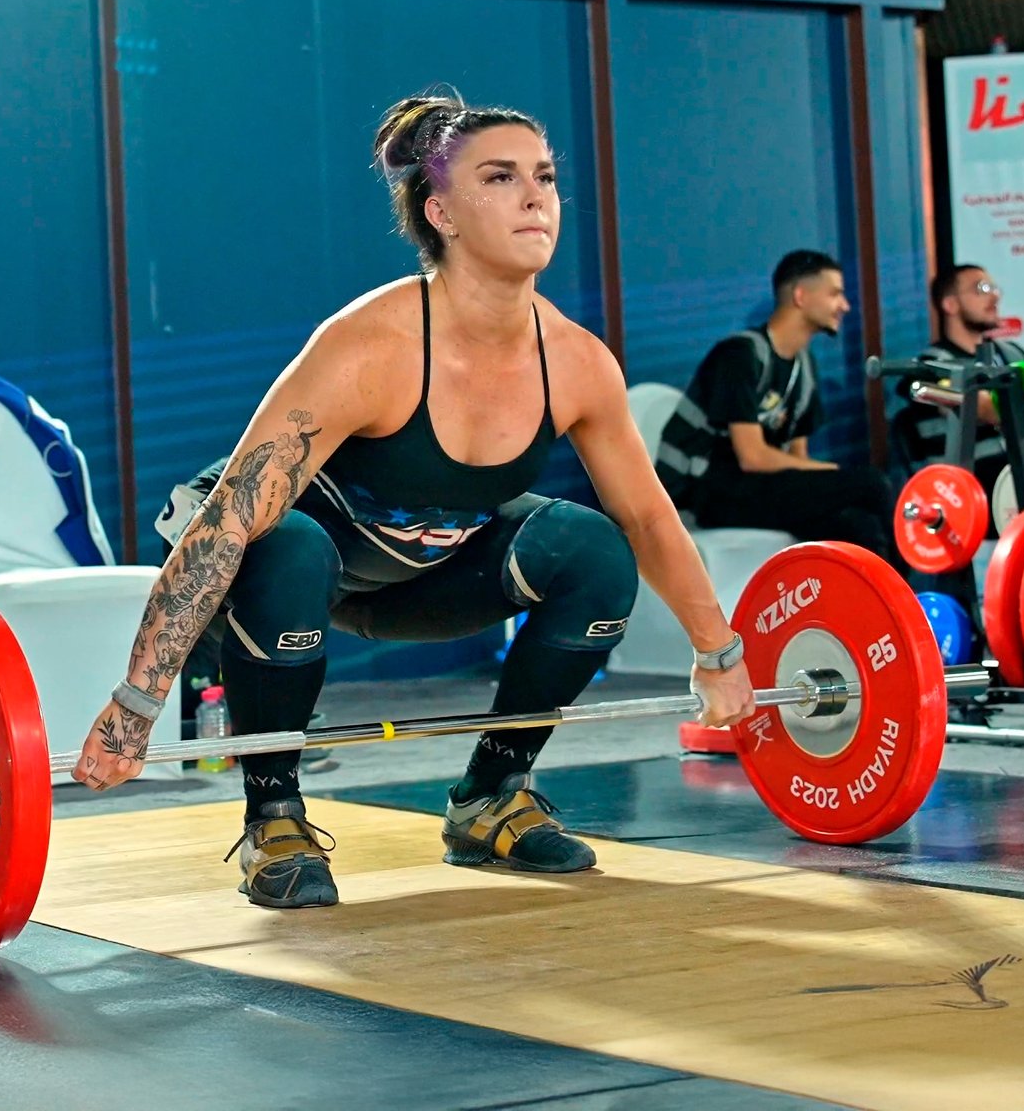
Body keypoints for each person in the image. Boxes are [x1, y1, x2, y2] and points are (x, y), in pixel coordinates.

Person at [72, 91, 753, 910]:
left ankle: (491, 798)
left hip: (419, 576)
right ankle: (274, 817)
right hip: (275, 575)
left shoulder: (576, 361)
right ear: (443, 212)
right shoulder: (375, 343)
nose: (536, 195)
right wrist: (137, 701)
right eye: (500, 177)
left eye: (543, 176)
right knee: (290, 545)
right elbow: (229, 521)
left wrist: (719, 654)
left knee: (594, 548)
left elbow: (648, 518)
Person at [655, 249, 903, 570]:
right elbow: (752, 456)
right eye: (835, 293)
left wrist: (825, 480)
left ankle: (874, 614)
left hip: (758, 488)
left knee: (857, 525)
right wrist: (833, 474)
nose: (845, 305)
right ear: (800, 295)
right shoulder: (740, 354)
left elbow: (797, 459)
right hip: (705, 492)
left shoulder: (805, 367)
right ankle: (910, 606)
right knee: (870, 483)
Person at [894, 263, 1024, 525]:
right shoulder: (929, 367)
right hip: (973, 489)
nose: (994, 296)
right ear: (950, 305)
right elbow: (982, 406)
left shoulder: (1011, 354)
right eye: (981, 289)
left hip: (1019, 472)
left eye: (993, 288)